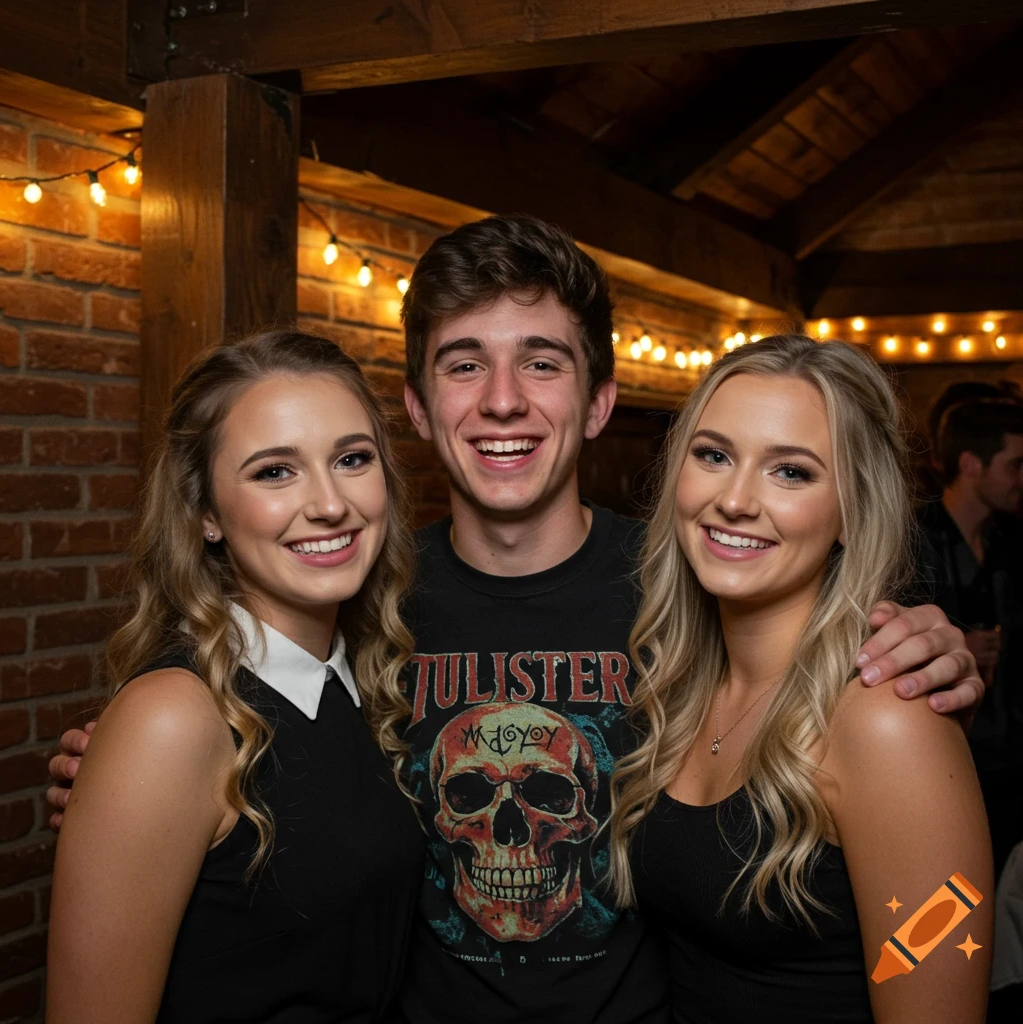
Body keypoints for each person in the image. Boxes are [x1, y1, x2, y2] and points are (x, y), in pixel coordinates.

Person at [48, 217, 984, 1024]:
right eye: (465, 365)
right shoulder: (361, 605)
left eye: (542, 362)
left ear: (600, 404)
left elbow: (821, 692)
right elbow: (259, 752)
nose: (502, 400)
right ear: (417, 409)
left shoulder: (685, 592)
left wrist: (915, 649)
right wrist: (133, 788)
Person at [610, 335, 993, 1024]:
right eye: (714, 455)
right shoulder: (683, 689)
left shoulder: (888, 718)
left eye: (791, 472)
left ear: (851, 510)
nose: (735, 499)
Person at [46, 331, 425, 1023]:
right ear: (207, 515)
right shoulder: (173, 717)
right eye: (274, 472)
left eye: (351, 459)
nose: (330, 504)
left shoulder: (357, 679)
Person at [917, 397, 1023, 880]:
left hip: (1010, 759)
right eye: (1015, 465)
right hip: (946, 763)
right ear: (971, 465)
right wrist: (955, 644)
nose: (1022, 479)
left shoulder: (1009, 540)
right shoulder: (914, 541)